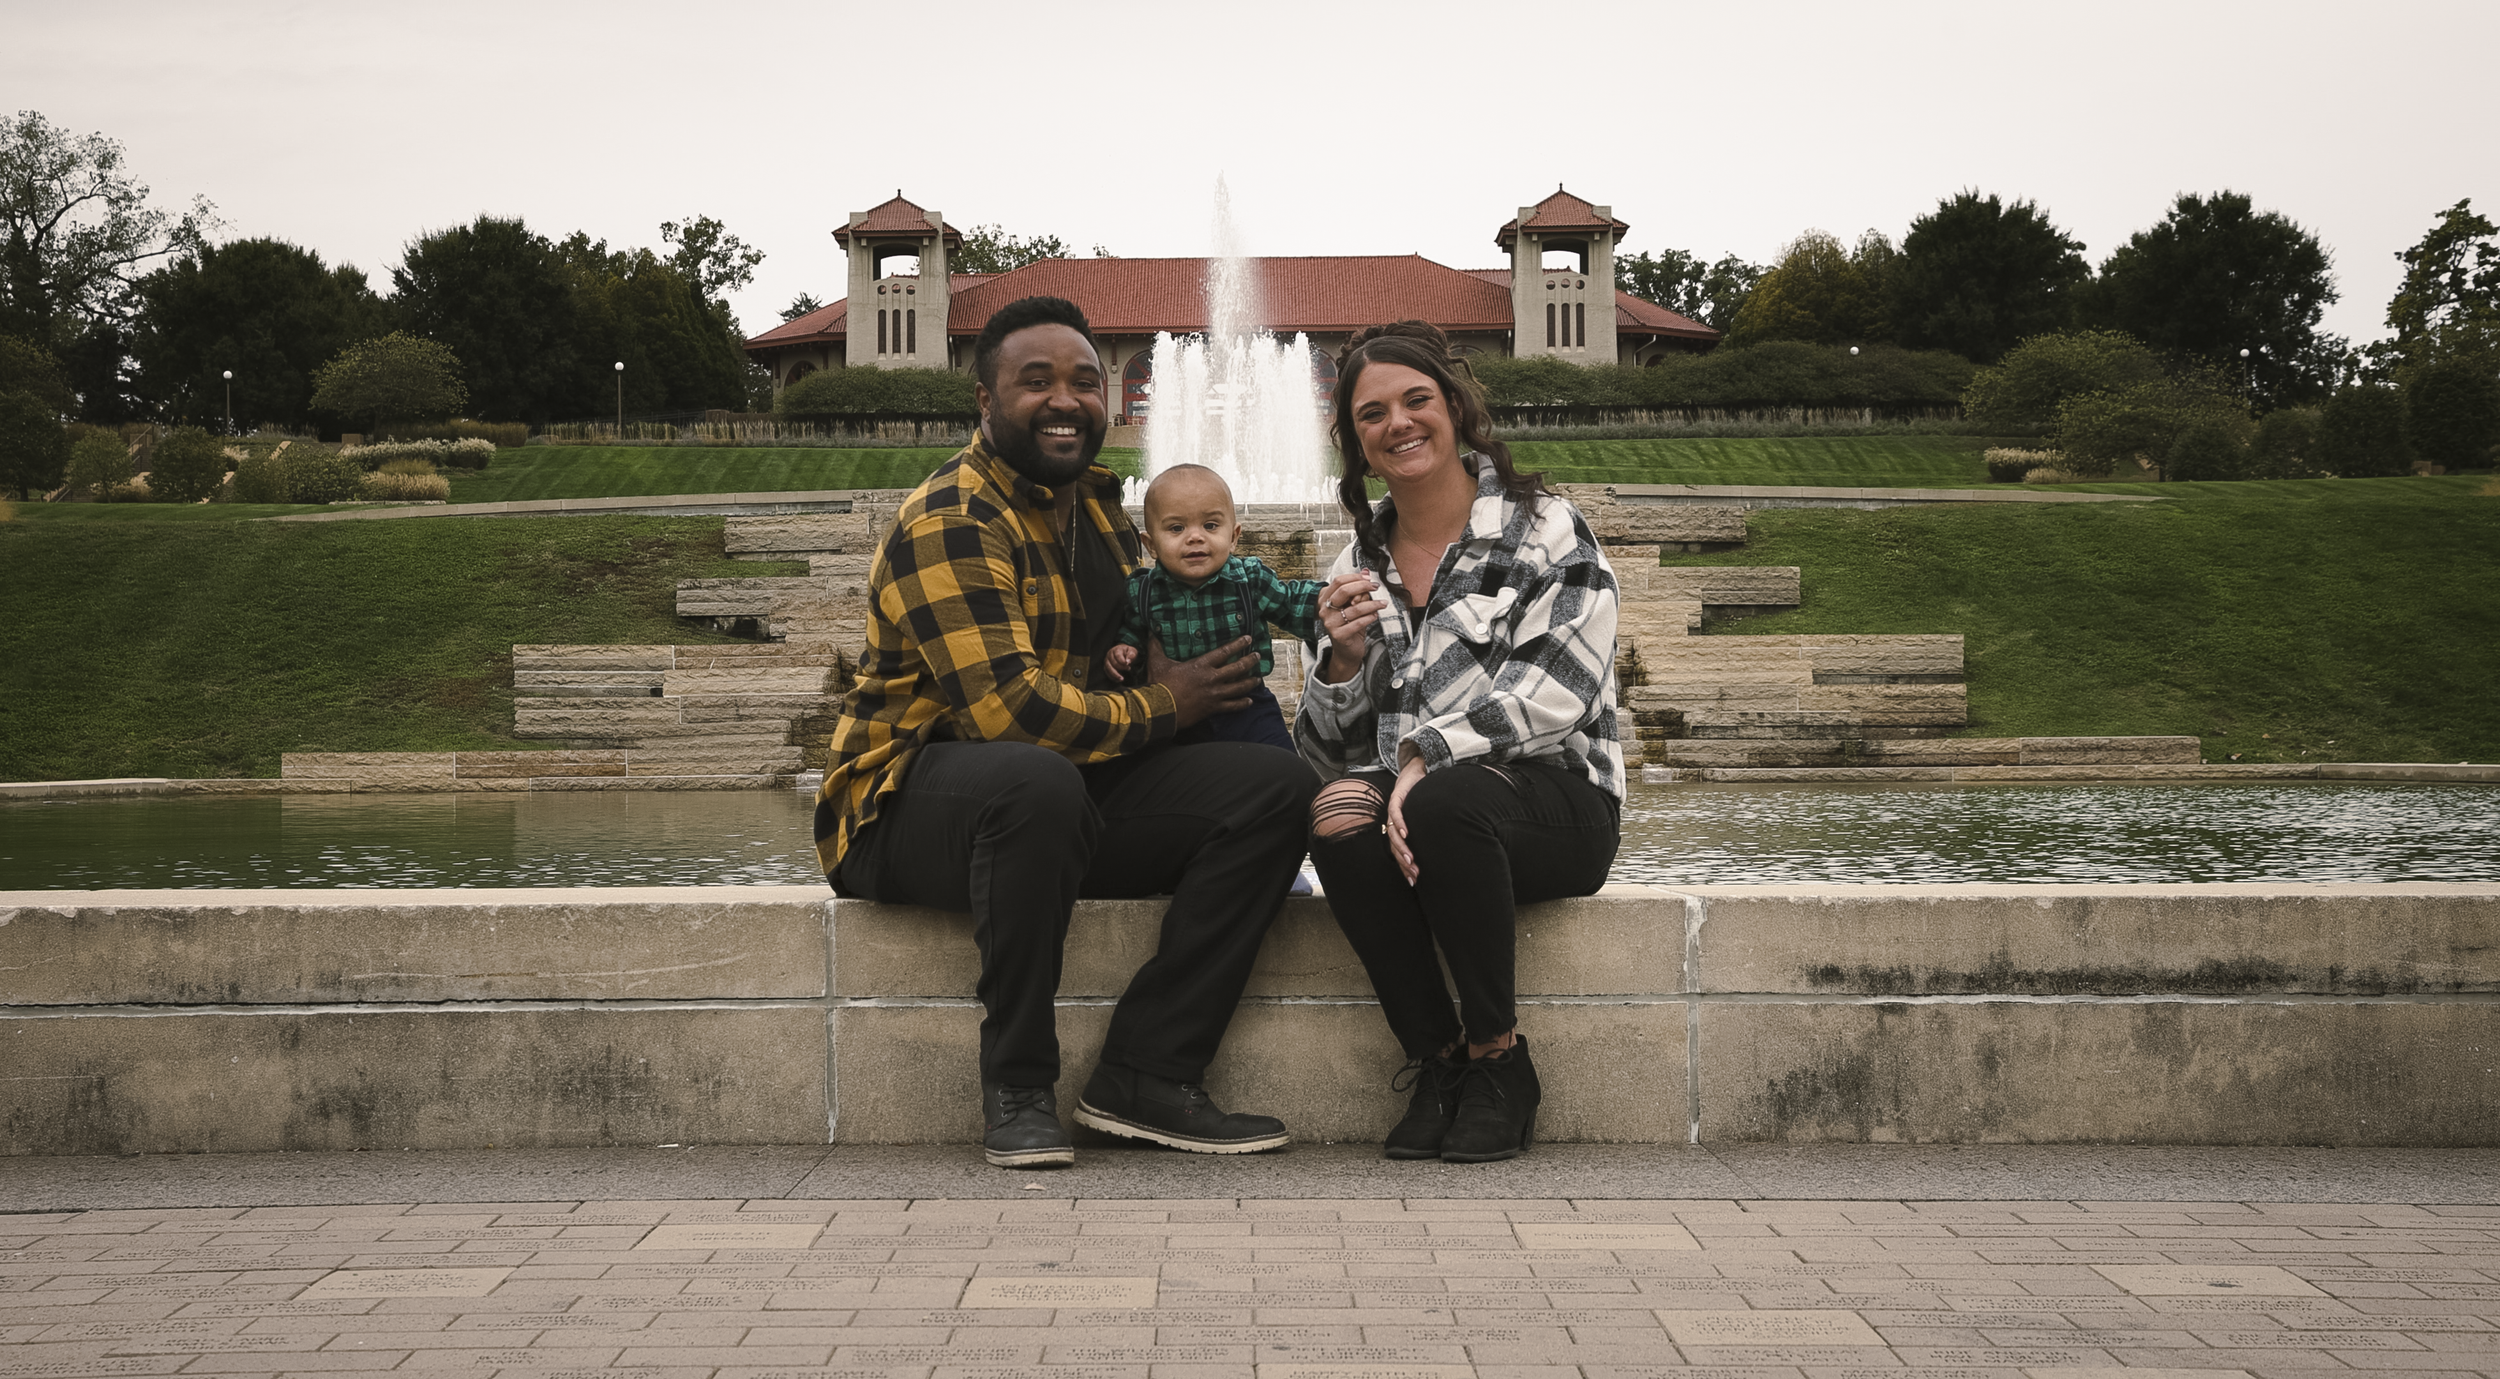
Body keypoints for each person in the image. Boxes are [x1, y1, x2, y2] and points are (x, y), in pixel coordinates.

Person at [816, 295, 1318, 1169]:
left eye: (1086, 381)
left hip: (1051, 805)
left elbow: (1132, 654)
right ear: (985, 401)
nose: (1066, 399)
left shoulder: (1092, 510)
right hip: (900, 809)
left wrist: (1323, 633)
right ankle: (1018, 1084)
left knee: (1275, 789)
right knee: (1028, 777)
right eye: (1035, 380)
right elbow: (1006, 714)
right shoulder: (954, 516)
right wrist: (1171, 703)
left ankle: (1147, 1073)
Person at [1295, 320, 1625, 1164]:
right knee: (1333, 814)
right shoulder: (1353, 567)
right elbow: (1330, 754)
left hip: (1556, 803)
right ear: (1357, 442)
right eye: (1373, 414)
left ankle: (1498, 1060)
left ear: (1456, 409)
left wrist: (1421, 756)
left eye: (1416, 401)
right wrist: (1340, 659)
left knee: (1445, 798)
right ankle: (1437, 1059)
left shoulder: (1546, 530)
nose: (1398, 423)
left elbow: (1560, 693)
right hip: (1422, 810)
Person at [1105, 462, 1325, 752]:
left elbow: (1290, 603)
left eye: (1210, 525)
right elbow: (1134, 630)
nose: (1195, 537)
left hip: (1247, 707)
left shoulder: (1250, 580)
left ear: (1233, 537)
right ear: (1151, 545)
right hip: (1173, 715)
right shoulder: (1143, 590)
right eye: (1176, 528)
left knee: (1287, 767)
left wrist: (1327, 601)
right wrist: (1125, 650)